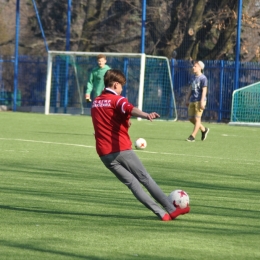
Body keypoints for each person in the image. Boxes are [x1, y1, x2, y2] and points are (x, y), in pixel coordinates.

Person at [91, 69, 190, 221]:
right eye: (121, 86)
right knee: (145, 178)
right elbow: (130, 109)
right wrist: (146, 115)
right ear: (115, 84)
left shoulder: (96, 102)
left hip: (104, 154)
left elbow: (105, 123)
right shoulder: (117, 99)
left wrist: (124, 123)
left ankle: (161, 213)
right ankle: (171, 209)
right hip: (120, 149)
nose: (121, 89)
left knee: (133, 184)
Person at [185, 61, 209, 142]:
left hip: (200, 101)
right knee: (191, 118)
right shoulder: (193, 77)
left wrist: (202, 101)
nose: (193, 67)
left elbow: (204, 90)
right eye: (193, 66)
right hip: (193, 100)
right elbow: (190, 89)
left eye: (195, 66)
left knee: (197, 119)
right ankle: (203, 129)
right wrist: (187, 99)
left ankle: (193, 136)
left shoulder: (203, 78)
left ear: (200, 68)